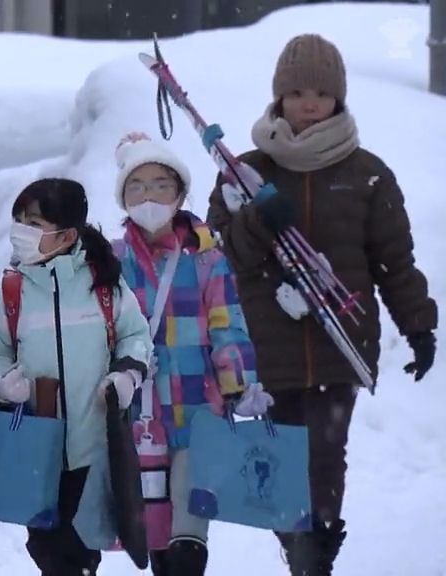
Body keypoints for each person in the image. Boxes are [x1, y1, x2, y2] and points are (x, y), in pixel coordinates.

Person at [206, 34, 438, 575]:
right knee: (282, 461)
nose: (309, 103)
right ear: (278, 97)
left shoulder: (366, 173)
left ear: (339, 97)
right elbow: (222, 255)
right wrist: (260, 221)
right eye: (297, 91)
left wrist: (419, 326)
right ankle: (298, 549)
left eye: (321, 92)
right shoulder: (244, 172)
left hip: (341, 342)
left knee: (325, 460)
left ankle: (317, 556)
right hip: (267, 345)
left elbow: (393, 262)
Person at [112, 132, 269, 576]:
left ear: (180, 192)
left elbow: (227, 323)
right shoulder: (111, 259)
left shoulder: (205, 259)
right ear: (123, 197)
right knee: (156, 536)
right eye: (136, 186)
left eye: (161, 184)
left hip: (200, 411)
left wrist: (240, 384)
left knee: (188, 539)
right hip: (139, 419)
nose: (149, 196)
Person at [0, 177, 154, 576]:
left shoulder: (104, 286)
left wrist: (126, 377)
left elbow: (135, 337)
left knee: (79, 554)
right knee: (48, 550)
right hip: (35, 451)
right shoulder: (9, 292)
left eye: (35, 223)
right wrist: (3, 385)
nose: (21, 232)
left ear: (67, 235)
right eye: (19, 221)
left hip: (90, 451)